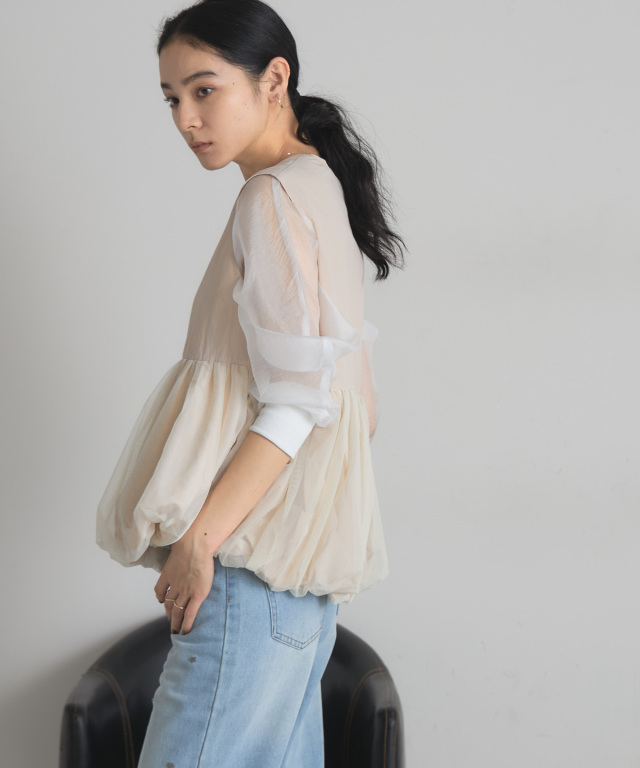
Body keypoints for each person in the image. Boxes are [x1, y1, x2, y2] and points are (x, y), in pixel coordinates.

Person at [95, 0, 406, 765]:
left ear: (274, 80)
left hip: (245, 578)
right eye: (172, 98)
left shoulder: (273, 197)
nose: (186, 119)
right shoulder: (319, 186)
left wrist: (200, 540)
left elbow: (299, 401)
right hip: (294, 592)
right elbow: (357, 411)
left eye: (205, 90)